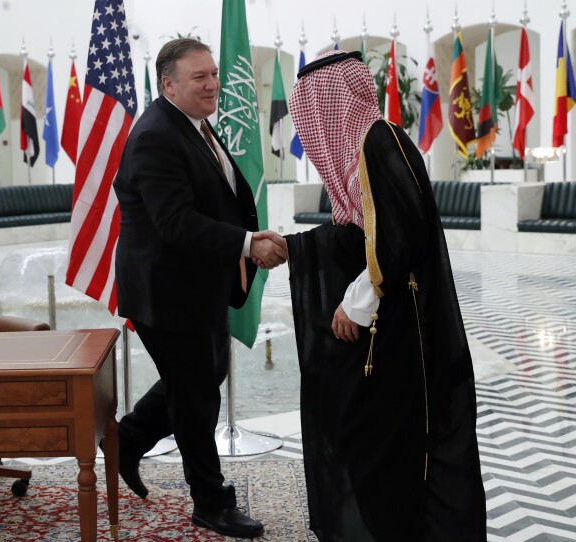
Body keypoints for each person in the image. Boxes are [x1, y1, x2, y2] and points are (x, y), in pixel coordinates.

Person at [285, 50, 486, 541]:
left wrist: (357, 300)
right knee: (371, 437)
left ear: (330, 100)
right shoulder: (364, 149)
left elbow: (399, 234)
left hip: (400, 328)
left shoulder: (380, 140)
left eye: (312, 108)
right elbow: (358, 234)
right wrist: (292, 248)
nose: (310, 129)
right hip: (389, 324)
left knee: (390, 441)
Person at [112, 38, 287, 539]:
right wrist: (249, 243)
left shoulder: (193, 124)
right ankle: (211, 502)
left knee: (203, 376)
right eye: (199, 77)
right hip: (165, 291)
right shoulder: (155, 135)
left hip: (197, 284)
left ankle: (128, 439)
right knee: (196, 397)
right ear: (168, 84)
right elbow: (176, 224)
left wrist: (245, 239)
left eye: (213, 73)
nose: (213, 83)